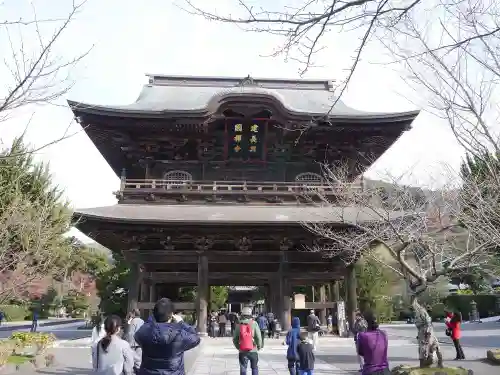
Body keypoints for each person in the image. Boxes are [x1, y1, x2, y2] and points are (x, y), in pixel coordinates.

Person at [134, 298, 200, 375]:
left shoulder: (144, 332)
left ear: (154, 314)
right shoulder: (179, 334)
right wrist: (181, 323)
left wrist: (153, 317)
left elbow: (137, 335)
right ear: (171, 315)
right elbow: (195, 338)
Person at [356, 311, 390, 375]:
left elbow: (360, 352)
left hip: (370, 370)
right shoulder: (384, 334)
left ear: (365, 322)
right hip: (385, 371)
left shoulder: (362, 335)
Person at [232, 306, 262, 375]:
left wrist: (238, 347)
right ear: (250, 314)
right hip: (253, 350)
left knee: (243, 367)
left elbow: (235, 339)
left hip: (242, 350)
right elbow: (258, 337)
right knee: (254, 367)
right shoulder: (254, 323)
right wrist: (259, 346)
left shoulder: (239, 325)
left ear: (242, 315)